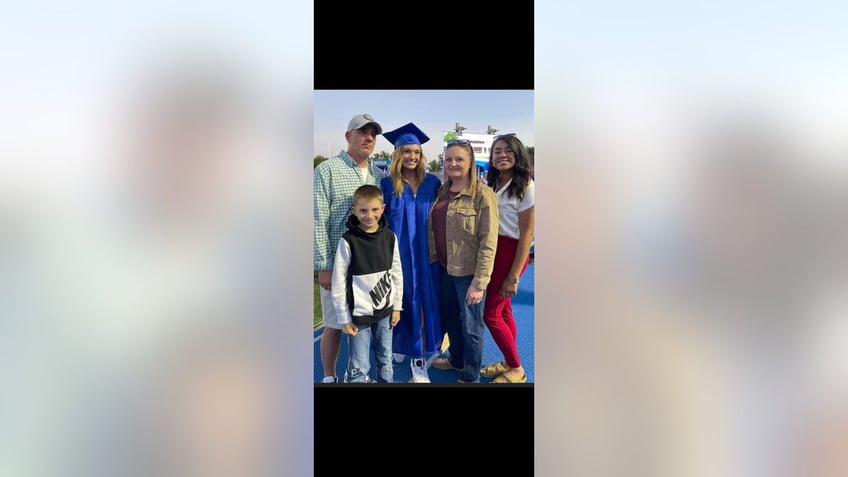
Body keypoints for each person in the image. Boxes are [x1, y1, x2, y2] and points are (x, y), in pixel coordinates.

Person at [314, 113, 384, 383]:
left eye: (373, 134)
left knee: (364, 324)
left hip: (369, 267)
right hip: (337, 266)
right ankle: (329, 376)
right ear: (348, 136)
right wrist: (323, 267)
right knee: (333, 326)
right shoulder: (327, 171)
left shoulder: (379, 174)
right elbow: (317, 219)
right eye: (362, 132)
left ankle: (357, 373)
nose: (368, 138)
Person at [430, 139, 499, 383]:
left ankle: (471, 376)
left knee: (471, 327)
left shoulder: (483, 194)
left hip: (468, 274)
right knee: (450, 319)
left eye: (459, 159)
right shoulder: (442, 191)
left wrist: (479, 283)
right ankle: (457, 360)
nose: (453, 164)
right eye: (448, 159)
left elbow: (488, 241)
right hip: (444, 269)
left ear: (470, 163)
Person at [380, 122, 443, 383]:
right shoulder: (387, 183)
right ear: (397, 154)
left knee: (424, 304)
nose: (411, 157)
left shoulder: (433, 182)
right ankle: (400, 344)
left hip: (427, 256)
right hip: (399, 257)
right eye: (406, 151)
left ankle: (418, 360)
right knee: (401, 301)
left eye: (415, 152)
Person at [330, 184, 403, 383]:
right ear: (354, 211)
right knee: (359, 366)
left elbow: (397, 273)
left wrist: (397, 306)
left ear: (383, 209)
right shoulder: (348, 241)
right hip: (359, 315)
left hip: (385, 313)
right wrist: (344, 317)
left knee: (385, 360)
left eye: (374, 210)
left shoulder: (390, 237)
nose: (369, 215)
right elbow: (338, 281)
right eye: (363, 210)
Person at [480, 133, 534, 383]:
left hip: (512, 252)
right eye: (497, 151)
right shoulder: (493, 182)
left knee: (490, 314)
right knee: (503, 311)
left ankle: (516, 368)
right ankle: (509, 360)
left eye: (508, 151)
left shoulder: (526, 185)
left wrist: (513, 276)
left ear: (518, 154)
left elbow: (527, 234)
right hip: (494, 249)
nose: (502, 155)